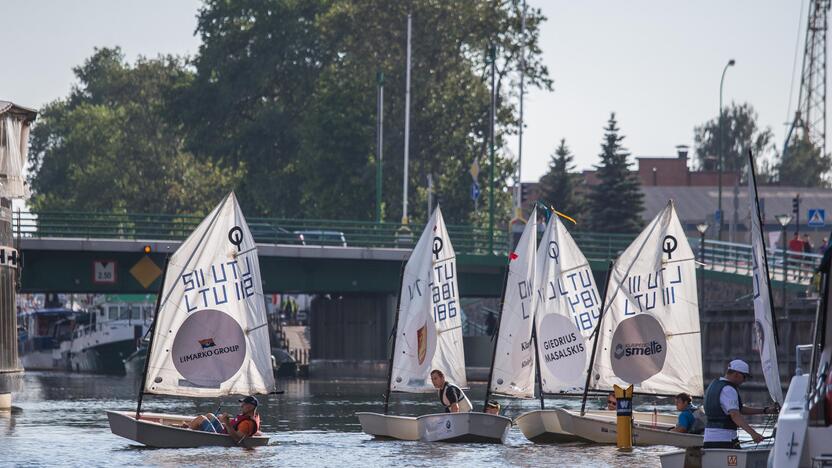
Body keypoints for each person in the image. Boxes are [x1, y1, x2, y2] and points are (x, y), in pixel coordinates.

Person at [703, 360, 778, 448]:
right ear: (736, 374)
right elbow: (735, 414)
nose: (744, 381)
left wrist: (765, 410)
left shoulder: (714, 385)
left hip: (708, 439)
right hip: (725, 440)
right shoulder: (729, 389)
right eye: (744, 377)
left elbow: (740, 409)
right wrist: (753, 434)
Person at [185, 396, 261, 443]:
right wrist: (224, 420)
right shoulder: (249, 417)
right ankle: (190, 427)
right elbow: (237, 426)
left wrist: (227, 423)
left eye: (244, 404)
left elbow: (237, 439)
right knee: (210, 415)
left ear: (251, 407)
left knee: (201, 418)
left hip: (219, 438)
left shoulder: (247, 423)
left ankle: (185, 433)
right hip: (223, 432)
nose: (241, 406)